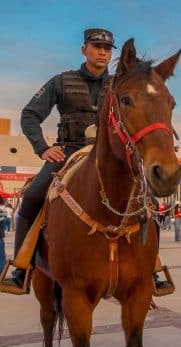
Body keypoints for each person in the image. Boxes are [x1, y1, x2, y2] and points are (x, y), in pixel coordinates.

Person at [2, 29, 115, 289]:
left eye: (107, 49)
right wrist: (42, 148)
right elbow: (29, 114)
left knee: (147, 200)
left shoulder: (119, 84)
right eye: (96, 46)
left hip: (109, 156)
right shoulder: (61, 81)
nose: (102, 52)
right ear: (83, 49)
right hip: (68, 152)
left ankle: (151, 269)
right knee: (31, 197)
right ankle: (22, 266)